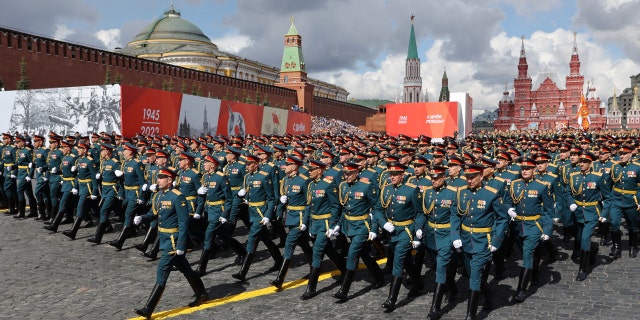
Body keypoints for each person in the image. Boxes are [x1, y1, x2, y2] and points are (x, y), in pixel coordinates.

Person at [132, 167, 209, 318]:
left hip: (173, 242)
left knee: (162, 271)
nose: (158, 180)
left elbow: (183, 222)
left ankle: (148, 308)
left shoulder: (177, 197)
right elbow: (154, 213)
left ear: (170, 180)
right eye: (158, 177)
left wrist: (181, 245)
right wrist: (143, 217)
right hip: (164, 238)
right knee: (186, 268)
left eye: (161, 178)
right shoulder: (159, 196)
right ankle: (202, 294)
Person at [451, 164, 508, 320]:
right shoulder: (461, 192)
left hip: (483, 241)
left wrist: (497, 240)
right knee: (472, 274)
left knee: (475, 275)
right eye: (467, 178)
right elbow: (455, 214)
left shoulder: (491, 194)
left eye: (472, 177)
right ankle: (489, 294)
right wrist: (455, 235)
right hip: (464, 240)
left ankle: (471, 314)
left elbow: (502, 218)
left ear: (481, 176)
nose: (469, 181)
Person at [332, 161, 385, 303]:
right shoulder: (343, 186)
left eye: (349, 173)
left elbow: (376, 208)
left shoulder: (367, 186)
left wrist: (374, 228)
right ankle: (380, 277)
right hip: (349, 225)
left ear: (356, 173)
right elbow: (344, 208)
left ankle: (344, 290)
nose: (346, 176)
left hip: (363, 226)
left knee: (352, 253)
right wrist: (337, 225)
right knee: (363, 253)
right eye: (345, 173)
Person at [377, 162, 423, 312]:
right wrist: (383, 223)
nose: (392, 177)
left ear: (402, 175)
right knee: (406, 261)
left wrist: (417, 232)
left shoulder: (411, 190)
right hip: (391, 231)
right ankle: (418, 282)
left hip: (405, 230)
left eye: (395, 174)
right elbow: (378, 209)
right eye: (391, 174)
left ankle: (391, 299)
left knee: (398, 261)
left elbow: (420, 213)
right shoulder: (386, 189)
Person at [507, 157, 554, 303]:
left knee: (527, 255)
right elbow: (508, 199)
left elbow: (548, 210)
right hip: (517, 226)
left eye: (528, 169)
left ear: (534, 170)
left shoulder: (541, 186)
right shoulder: (515, 184)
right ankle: (534, 273)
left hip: (534, 225)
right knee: (524, 252)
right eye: (523, 169)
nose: (525, 171)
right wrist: (508, 208)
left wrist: (547, 229)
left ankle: (521, 290)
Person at [231, 154, 283, 282]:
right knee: (265, 238)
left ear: (257, 164)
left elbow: (271, 198)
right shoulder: (247, 177)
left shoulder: (264, 177)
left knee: (252, 238)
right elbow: (249, 193)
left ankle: (243, 271)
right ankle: (279, 260)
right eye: (247, 164)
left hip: (260, 212)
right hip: (251, 211)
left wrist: (267, 215)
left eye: (250, 164)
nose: (247, 167)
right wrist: (243, 196)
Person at [416, 165, 459, 319]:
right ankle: (453, 288)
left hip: (446, 234)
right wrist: (419, 228)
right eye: (432, 178)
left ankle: (435, 307)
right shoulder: (427, 192)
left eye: (436, 178)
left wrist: (455, 237)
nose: (433, 181)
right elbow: (423, 213)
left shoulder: (454, 193)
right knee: (440, 266)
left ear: (444, 177)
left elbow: (456, 217)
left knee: (440, 268)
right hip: (430, 236)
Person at [300, 159, 346, 300]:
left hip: (325, 224)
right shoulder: (311, 185)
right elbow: (309, 205)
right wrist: (306, 223)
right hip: (315, 223)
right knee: (328, 250)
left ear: (319, 171)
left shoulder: (328, 184)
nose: (309, 171)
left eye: (312, 169)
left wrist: (333, 225)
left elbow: (336, 206)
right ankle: (345, 270)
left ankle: (311, 288)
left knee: (317, 252)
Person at [194, 154, 246, 276]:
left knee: (208, 236)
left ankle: (202, 267)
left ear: (212, 165)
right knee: (223, 235)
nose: (203, 165)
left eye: (206, 163)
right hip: (208, 210)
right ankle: (242, 252)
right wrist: (199, 210)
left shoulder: (221, 177)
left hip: (218, 210)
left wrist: (225, 214)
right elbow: (203, 197)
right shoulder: (206, 177)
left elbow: (228, 199)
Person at [271, 155, 313, 289]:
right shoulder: (286, 180)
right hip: (291, 216)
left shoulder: (304, 181)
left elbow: (309, 203)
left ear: (295, 167)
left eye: (288, 164)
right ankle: (315, 267)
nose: (285, 167)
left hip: (300, 218)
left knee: (289, 244)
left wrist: (306, 220)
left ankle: (280, 278)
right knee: (303, 244)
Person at [566, 151, 609, 281]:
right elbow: (568, 192)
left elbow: (607, 197)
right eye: (581, 162)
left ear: (590, 163)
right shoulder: (573, 176)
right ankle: (593, 248)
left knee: (584, 238)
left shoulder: (598, 177)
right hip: (577, 211)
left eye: (585, 162)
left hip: (592, 212)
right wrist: (571, 203)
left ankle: (583, 270)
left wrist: (604, 213)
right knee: (579, 238)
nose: (582, 164)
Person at [604, 144, 640, 259]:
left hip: (631, 201)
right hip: (616, 200)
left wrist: (638, 200)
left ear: (630, 154)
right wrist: (608, 198)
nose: (622, 156)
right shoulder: (615, 167)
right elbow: (608, 184)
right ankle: (616, 247)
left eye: (624, 154)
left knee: (633, 225)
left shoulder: (637, 167)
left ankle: (632, 246)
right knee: (614, 223)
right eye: (620, 154)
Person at [62, 142, 99, 239]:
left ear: (85, 150)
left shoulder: (90, 161)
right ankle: (107, 225)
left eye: (80, 148)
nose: (77, 150)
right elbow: (78, 176)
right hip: (81, 186)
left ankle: (73, 231)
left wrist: (95, 190)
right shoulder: (79, 160)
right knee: (95, 208)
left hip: (88, 187)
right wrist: (75, 186)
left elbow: (94, 177)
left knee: (80, 207)